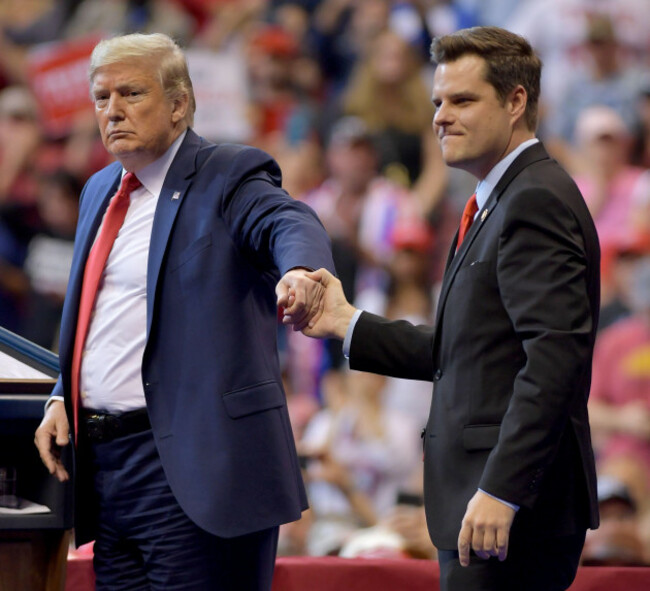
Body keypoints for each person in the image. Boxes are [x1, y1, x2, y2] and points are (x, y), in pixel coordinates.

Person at [294, 26, 601, 591]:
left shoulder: (533, 199)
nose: (440, 116)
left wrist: (502, 488)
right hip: (486, 507)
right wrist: (346, 323)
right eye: (437, 101)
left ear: (516, 103)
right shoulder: (495, 199)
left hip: (508, 512)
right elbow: (463, 350)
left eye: (462, 100)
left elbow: (555, 357)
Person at [33, 32, 335, 591]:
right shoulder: (99, 189)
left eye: (131, 93)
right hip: (106, 472)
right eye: (101, 98)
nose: (113, 110)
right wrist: (59, 394)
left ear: (178, 103)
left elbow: (289, 221)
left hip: (197, 470)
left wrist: (301, 272)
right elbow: (98, 315)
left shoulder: (227, 173)